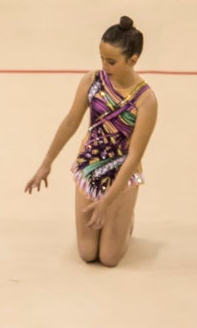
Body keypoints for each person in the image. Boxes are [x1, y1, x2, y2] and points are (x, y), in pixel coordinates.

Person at [24, 16, 158, 267]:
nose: (104, 66)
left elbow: (134, 156)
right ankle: (114, 217)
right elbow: (70, 122)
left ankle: (127, 219)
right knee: (87, 253)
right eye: (101, 58)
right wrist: (46, 163)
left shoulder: (145, 99)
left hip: (122, 174)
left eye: (111, 61)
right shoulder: (92, 81)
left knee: (109, 258)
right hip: (91, 167)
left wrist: (108, 201)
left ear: (133, 59)